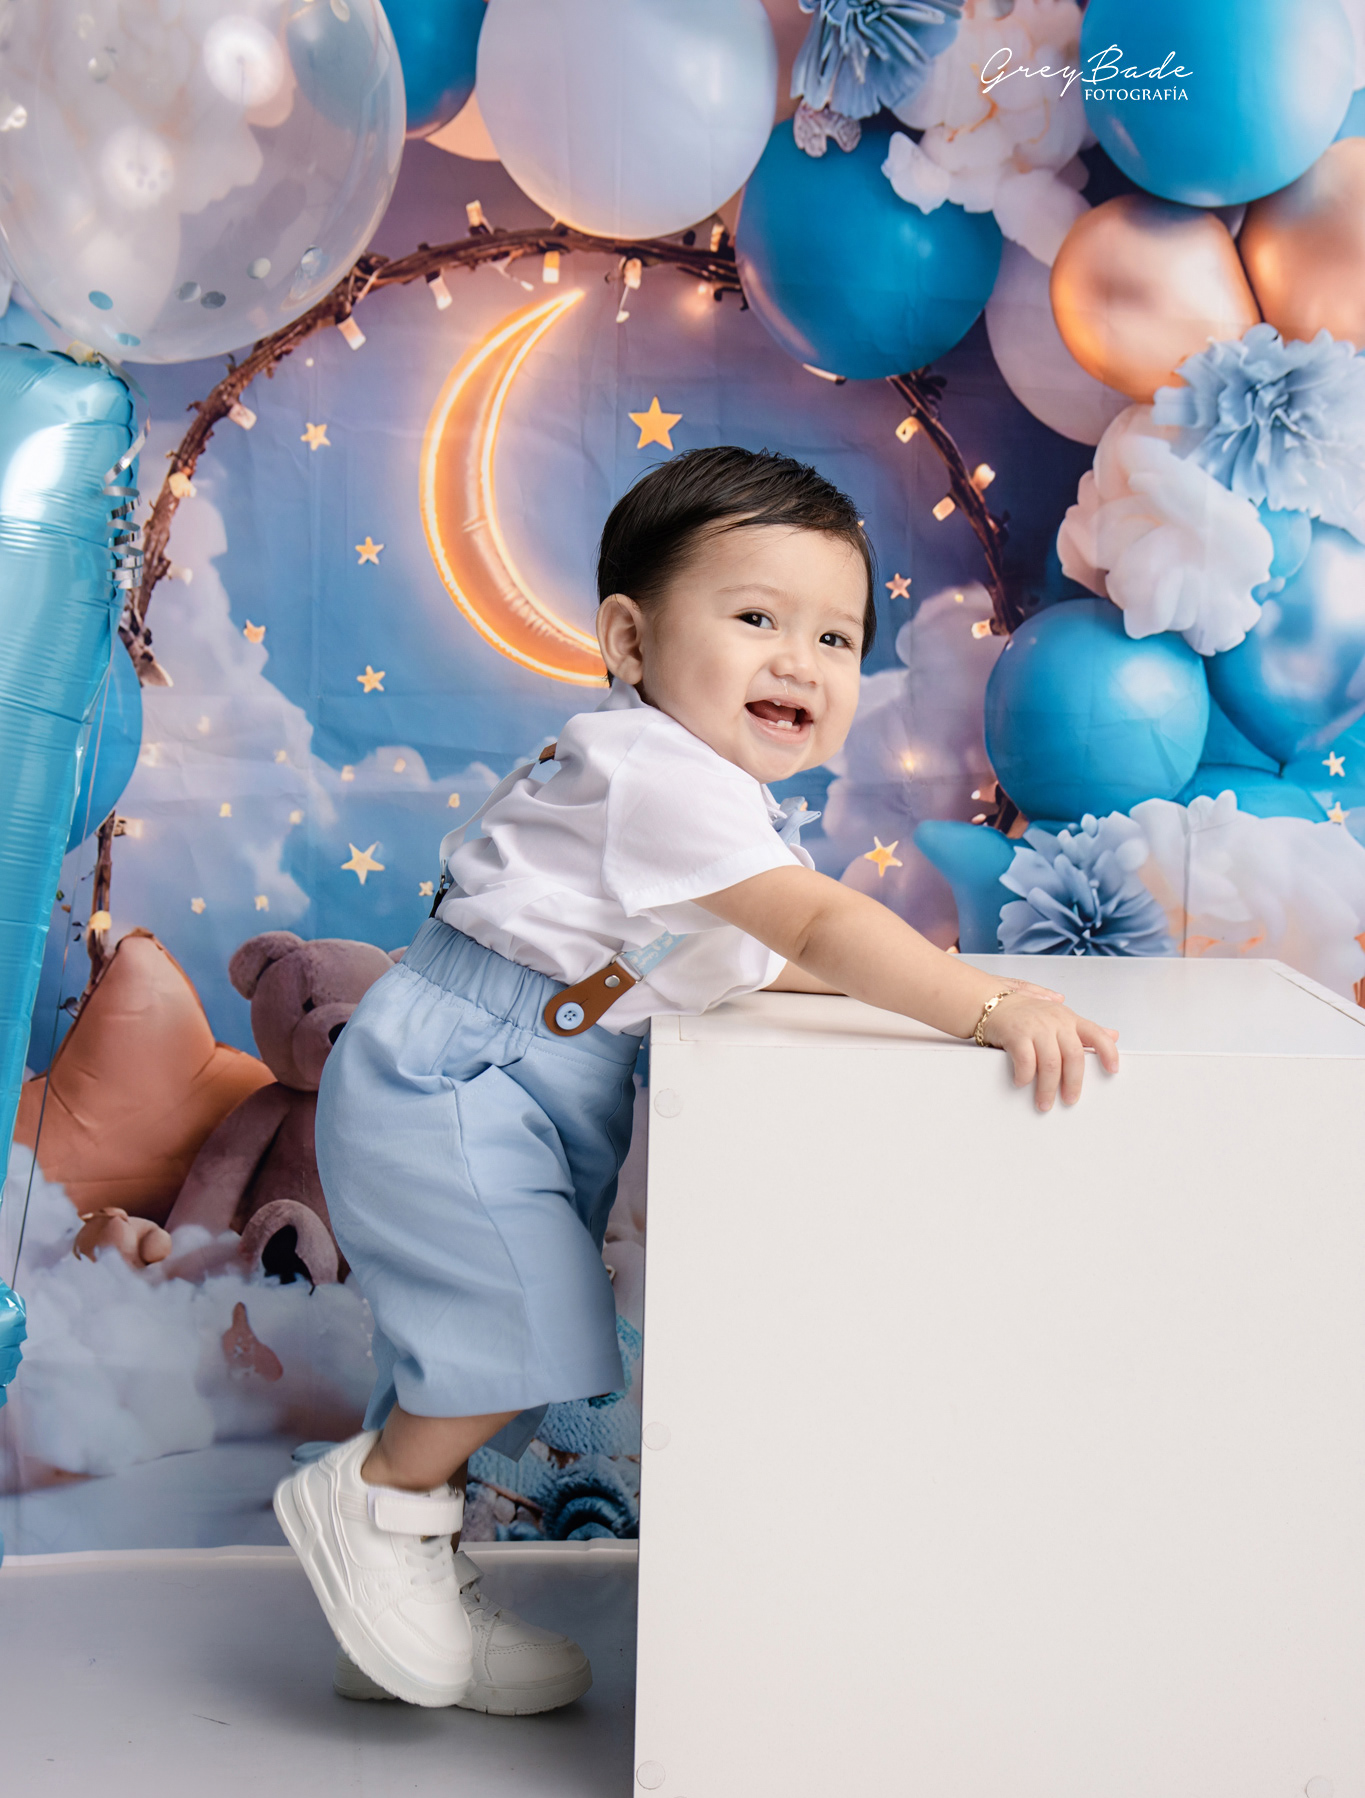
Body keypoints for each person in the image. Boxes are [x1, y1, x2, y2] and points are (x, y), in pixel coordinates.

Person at [275, 446, 1120, 1712]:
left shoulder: (701, 798)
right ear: (630, 638)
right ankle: (373, 1504)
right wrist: (984, 1004)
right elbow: (818, 924)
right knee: (516, 1326)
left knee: (458, 1347)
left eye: (837, 637)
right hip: (464, 1073)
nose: (801, 661)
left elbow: (766, 954)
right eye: (756, 618)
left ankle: (399, 1605)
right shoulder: (654, 774)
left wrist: (918, 981)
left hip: (515, 1075)